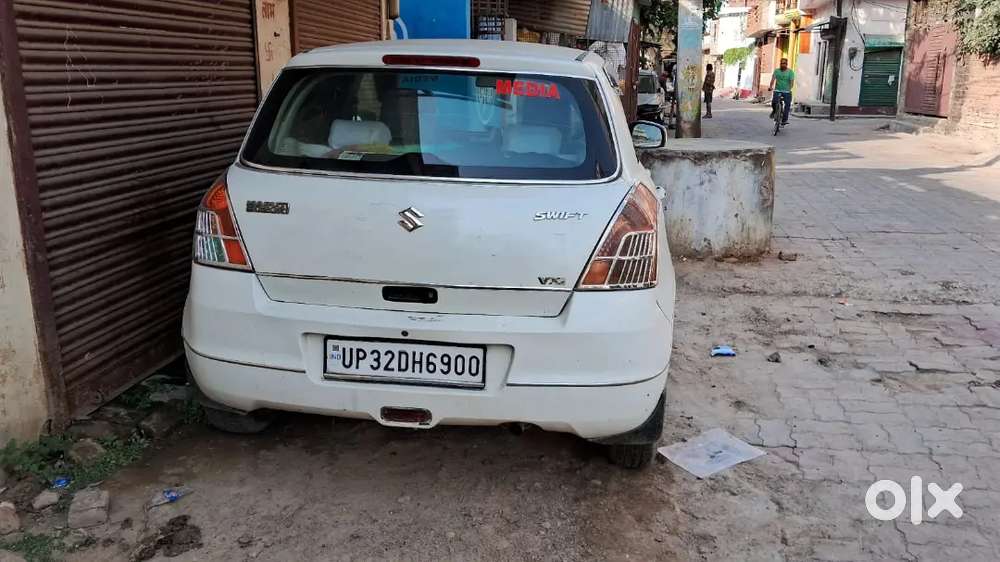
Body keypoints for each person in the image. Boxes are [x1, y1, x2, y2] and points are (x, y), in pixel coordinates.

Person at [769, 58, 795, 126]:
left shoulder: (790, 72)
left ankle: (784, 120)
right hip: (777, 90)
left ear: (786, 64)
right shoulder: (777, 71)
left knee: (787, 105)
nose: (782, 65)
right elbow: (773, 79)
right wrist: (770, 86)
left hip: (787, 91)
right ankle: (774, 111)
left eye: (784, 63)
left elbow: (792, 82)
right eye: (781, 63)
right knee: (774, 102)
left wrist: (789, 89)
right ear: (780, 64)